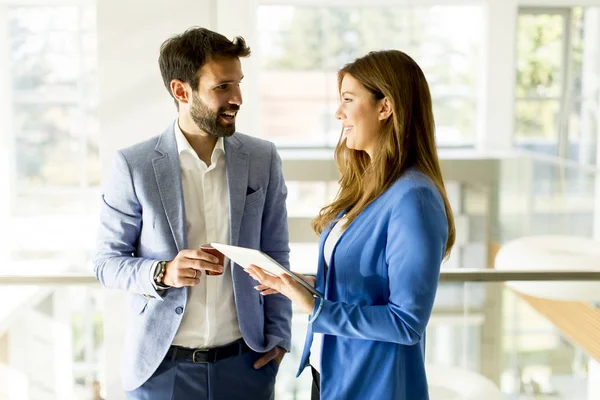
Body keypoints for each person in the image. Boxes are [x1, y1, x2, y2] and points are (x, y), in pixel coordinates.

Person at [93, 27, 291, 400]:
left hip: (247, 365)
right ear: (181, 91)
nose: (237, 98)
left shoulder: (263, 159)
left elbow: (276, 254)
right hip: (161, 371)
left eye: (239, 84)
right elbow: (106, 262)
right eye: (222, 87)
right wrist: (163, 272)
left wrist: (279, 337)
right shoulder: (133, 166)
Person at [245, 49, 455, 400]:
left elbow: (406, 323)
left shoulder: (413, 198)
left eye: (348, 99)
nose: (339, 113)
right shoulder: (370, 188)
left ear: (385, 107)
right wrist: (301, 286)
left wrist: (315, 307)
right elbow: (364, 290)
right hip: (330, 375)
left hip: (375, 386)